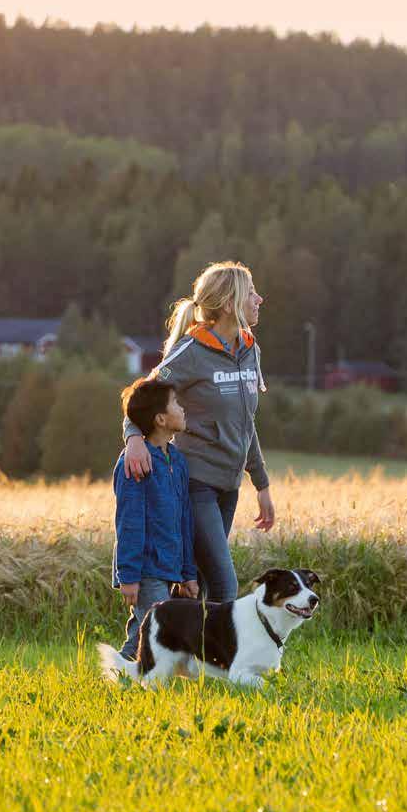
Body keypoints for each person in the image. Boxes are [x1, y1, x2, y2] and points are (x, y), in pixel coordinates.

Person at [123, 260, 275, 602]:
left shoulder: (251, 350)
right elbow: (142, 397)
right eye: (250, 292)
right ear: (227, 305)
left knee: (199, 585)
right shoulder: (191, 353)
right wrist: (133, 437)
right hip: (195, 483)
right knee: (224, 585)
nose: (259, 299)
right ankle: (220, 657)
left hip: (229, 486)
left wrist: (261, 484)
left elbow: (246, 422)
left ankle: (172, 648)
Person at [112, 376, 199, 660]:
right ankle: (119, 674)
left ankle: (120, 677)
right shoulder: (136, 463)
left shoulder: (177, 460)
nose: (182, 408)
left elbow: (184, 520)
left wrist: (187, 573)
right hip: (147, 568)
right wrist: (128, 576)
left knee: (145, 628)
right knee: (149, 631)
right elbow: (129, 522)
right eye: (176, 403)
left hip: (169, 566)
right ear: (161, 419)